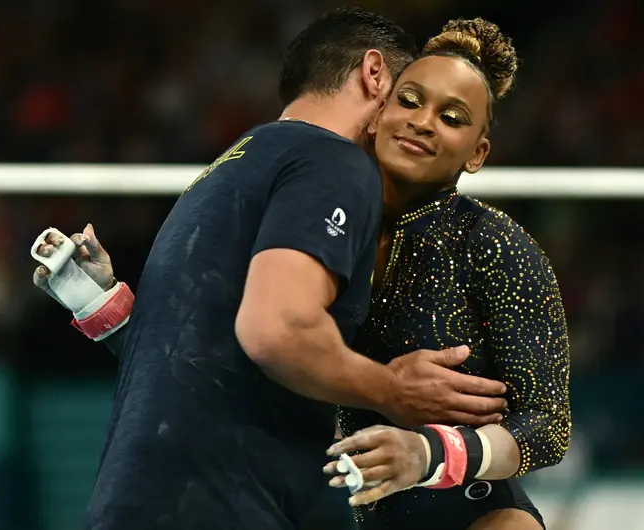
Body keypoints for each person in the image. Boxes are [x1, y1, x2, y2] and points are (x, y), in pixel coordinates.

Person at [30, 8, 508, 530]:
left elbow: (191, 356)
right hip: (221, 507)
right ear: (374, 75)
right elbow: (276, 330)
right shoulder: (336, 163)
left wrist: (104, 307)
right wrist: (395, 389)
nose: (411, 121)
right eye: (407, 97)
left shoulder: (227, 170)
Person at [323, 18, 570, 530]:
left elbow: (548, 425)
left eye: (452, 117)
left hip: (474, 514)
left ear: (477, 153)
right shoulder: (319, 224)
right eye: (410, 100)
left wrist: (429, 454)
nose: (423, 122)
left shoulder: (495, 244)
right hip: (324, 509)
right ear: (378, 114)